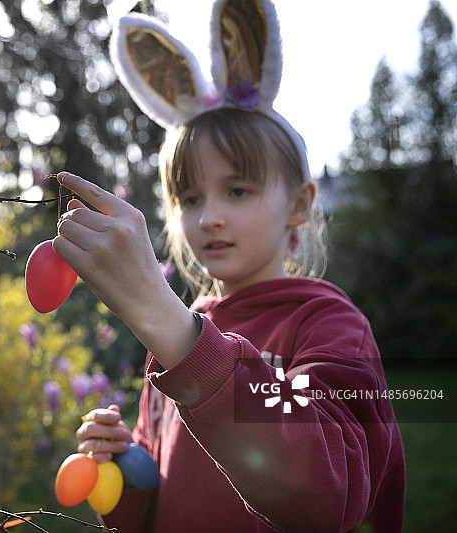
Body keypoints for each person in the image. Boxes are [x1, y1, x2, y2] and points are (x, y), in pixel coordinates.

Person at [50, 1, 406, 531]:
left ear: (300, 203)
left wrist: (172, 329)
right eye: (190, 198)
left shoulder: (328, 327)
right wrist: (124, 471)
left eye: (238, 190)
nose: (210, 217)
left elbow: (333, 494)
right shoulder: (178, 333)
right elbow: (157, 503)